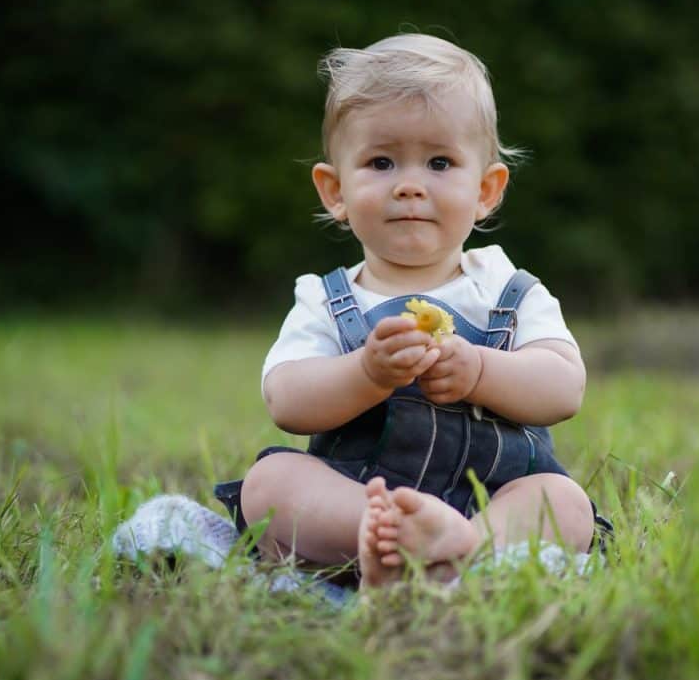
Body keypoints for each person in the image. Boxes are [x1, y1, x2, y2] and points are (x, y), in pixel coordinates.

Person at [214, 33, 608, 589]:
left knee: (564, 502)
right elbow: (287, 400)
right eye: (380, 162)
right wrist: (366, 373)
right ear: (336, 191)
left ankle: (465, 546)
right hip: (359, 496)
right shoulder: (325, 299)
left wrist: (478, 370)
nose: (409, 186)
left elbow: (563, 388)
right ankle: (385, 539)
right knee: (268, 483)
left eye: (440, 162)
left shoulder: (508, 291)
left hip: (489, 500)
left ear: (486, 190)